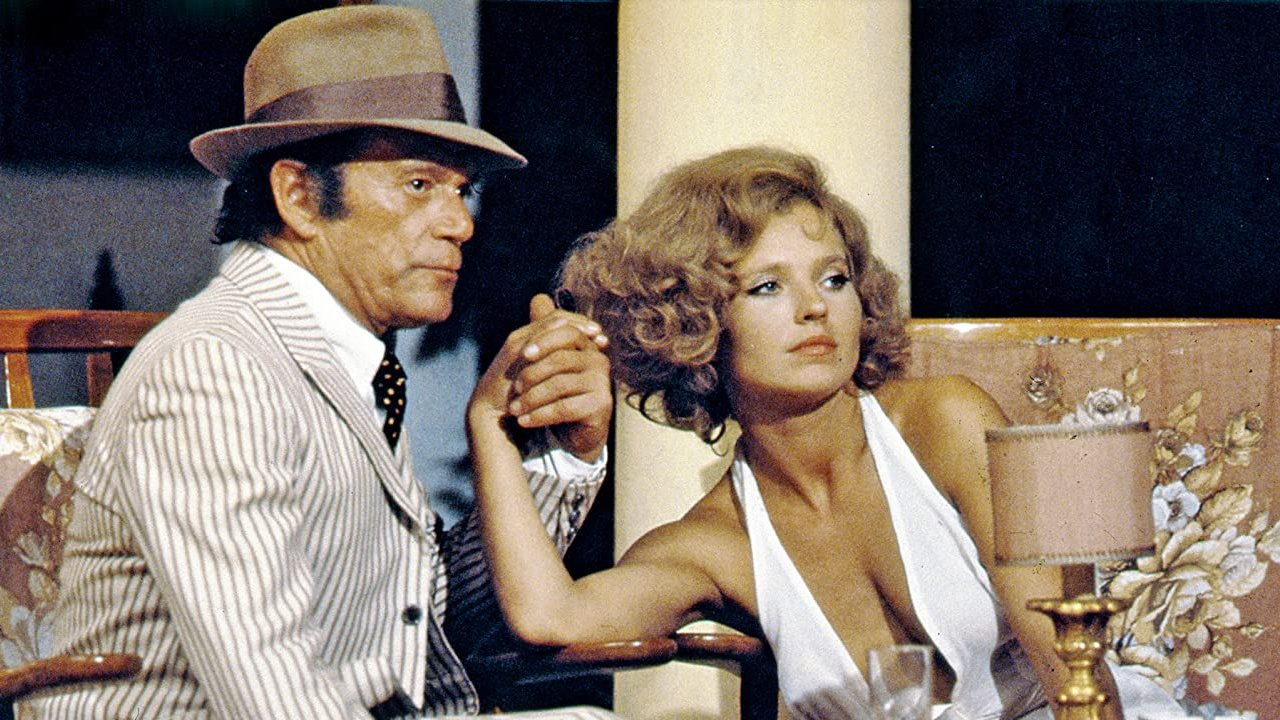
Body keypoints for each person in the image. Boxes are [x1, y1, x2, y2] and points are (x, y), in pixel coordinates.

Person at [26, 7, 618, 719]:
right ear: (299, 197)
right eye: (419, 184)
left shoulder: (342, 360)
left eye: (462, 190)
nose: (461, 223)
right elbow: (274, 694)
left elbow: (420, 631)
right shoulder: (215, 371)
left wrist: (540, 448)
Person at [468, 146, 1185, 719]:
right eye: (768, 287)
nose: (815, 308)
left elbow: (1076, 680)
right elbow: (549, 616)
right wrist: (490, 427)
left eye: (834, 278)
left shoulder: (946, 424)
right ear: (694, 325)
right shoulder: (714, 544)